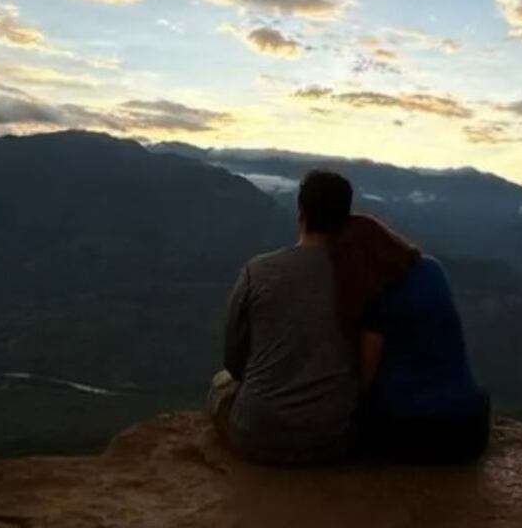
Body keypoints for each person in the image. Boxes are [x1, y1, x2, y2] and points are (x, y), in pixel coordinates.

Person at [209, 170, 362, 464]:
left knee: (222, 384)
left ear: (300, 212)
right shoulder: (360, 277)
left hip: (258, 436)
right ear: (345, 220)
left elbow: (233, 360)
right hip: (334, 439)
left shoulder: (259, 270)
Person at [330, 215, 490, 464]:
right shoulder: (431, 269)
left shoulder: (378, 295)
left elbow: (365, 379)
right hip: (470, 430)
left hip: (413, 431)